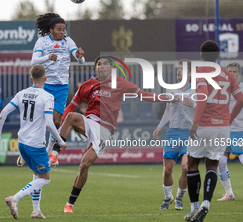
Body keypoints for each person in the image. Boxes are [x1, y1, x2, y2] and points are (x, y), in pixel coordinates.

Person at [55, 56, 172, 213]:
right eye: (99, 64)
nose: (102, 67)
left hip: (105, 130)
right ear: (95, 68)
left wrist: (166, 99)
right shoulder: (87, 85)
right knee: (71, 117)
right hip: (90, 123)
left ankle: (70, 204)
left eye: (105, 64)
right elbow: (71, 107)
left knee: (84, 165)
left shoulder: (120, 83)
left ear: (110, 68)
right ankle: (54, 153)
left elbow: (143, 94)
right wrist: (59, 124)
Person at [0, 64, 66, 219]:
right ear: (45, 78)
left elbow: (3, 112)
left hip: (22, 143)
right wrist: (60, 141)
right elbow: (50, 124)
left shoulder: (22, 93)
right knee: (45, 179)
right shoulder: (47, 97)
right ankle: (14, 199)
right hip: (36, 145)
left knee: (37, 176)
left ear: (31, 78)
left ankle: (36, 211)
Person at [185, 40, 243, 222]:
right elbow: (241, 100)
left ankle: (195, 207)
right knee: (212, 164)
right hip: (223, 127)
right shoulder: (228, 75)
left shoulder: (201, 72)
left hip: (204, 124)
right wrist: (228, 119)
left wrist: (195, 123)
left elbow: (202, 96)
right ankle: (206, 203)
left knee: (192, 163)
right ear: (218, 56)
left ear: (202, 56)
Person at [31, 13, 85, 160]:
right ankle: (38, 145)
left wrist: (80, 57)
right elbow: (34, 61)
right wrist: (47, 57)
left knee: (56, 121)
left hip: (62, 86)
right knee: (43, 119)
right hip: (46, 85)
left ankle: (49, 149)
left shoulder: (68, 42)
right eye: (59, 29)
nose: (62, 32)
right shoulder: (42, 42)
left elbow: (79, 58)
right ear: (51, 30)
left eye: (64, 29)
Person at [153, 59, 195, 211]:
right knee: (167, 170)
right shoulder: (171, 89)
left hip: (189, 133)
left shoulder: (196, 91)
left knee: (185, 167)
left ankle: (179, 198)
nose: (178, 71)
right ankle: (167, 197)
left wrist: (194, 104)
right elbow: (167, 111)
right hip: (173, 133)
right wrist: (159, 127)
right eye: (178, 68)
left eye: (182, 69)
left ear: (189, 74)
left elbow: (204, 111)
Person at [217, 62, 243, 201]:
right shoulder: (220, 89)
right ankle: (229, 194)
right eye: (229, 71)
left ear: (239, 73)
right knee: (220, 161)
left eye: (234, 71)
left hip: (239, 131)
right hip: (223, 131)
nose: (232, 74)